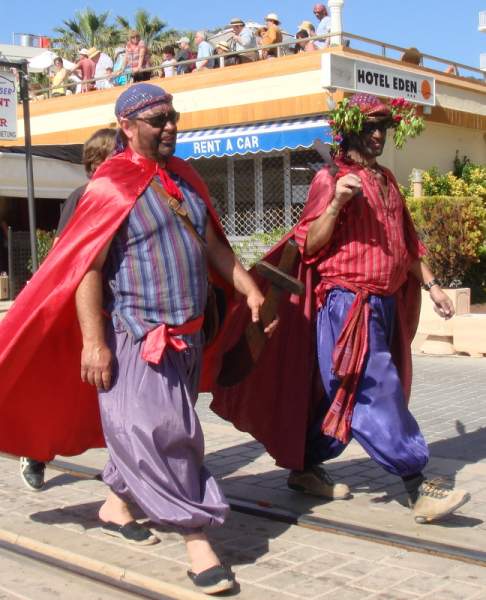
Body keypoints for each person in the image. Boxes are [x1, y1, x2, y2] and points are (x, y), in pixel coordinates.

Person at [0, 83, 276, 594]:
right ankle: (196, 537)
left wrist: (247, 287)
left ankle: (116, 503)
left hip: (190, 339)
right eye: (157, 119)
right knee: (166, 436)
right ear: (128, 127)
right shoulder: (108, 187)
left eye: (173, 115)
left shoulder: (187, 179)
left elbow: (214, 244)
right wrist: (93, 342)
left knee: (154, 431)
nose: (170, 125)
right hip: (137, 338)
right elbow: (85, 268)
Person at [211, 92, 470, 525]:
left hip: (384, 303)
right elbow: (308, 244)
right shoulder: (330, 180)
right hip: (348, 305)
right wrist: (336, 205)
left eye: (383, 127)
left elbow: (406, 244)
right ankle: (416, 484)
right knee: (373, 387)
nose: (377, 135)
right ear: (348, 130)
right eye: (369, 126)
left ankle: (305, 465)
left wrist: (433, 285)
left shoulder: (387, 179)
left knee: (347, 397)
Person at [19, 128, 117, 493]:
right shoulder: (84, 196)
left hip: (113, 312)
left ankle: (125, 464)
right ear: (96, 163)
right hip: (77, 313)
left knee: (105, 393)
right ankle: (36, 453)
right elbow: (64, 254)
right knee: (60, 389)